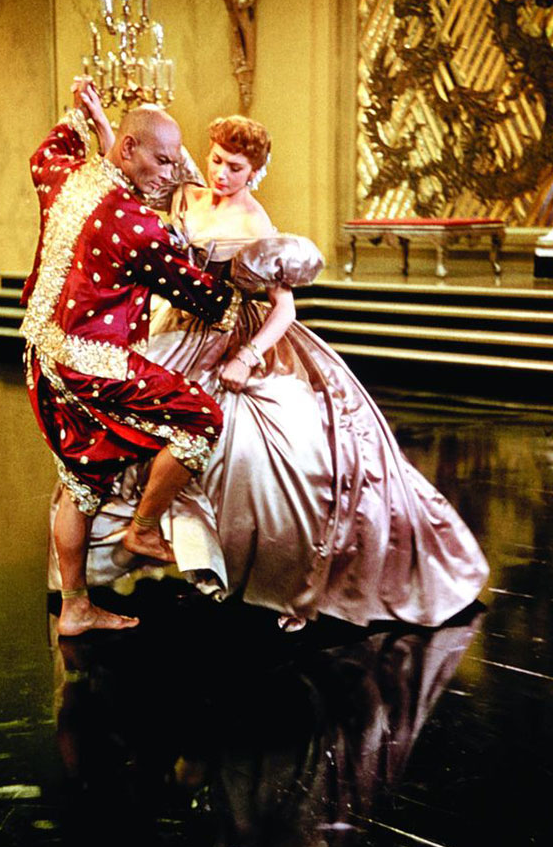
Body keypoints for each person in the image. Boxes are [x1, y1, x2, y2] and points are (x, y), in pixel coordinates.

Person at [52, 110, 489, 632]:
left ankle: (265, 575)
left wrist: (246, 356)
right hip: (174, 328)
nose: (221, 174)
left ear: (255, 172)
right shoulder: (186, 192)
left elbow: (285, 309)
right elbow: (130, 170)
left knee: (270, 453)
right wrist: (104, 123)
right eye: (217, 160)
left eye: (235, 167)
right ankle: (131, 548)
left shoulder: (255, 224)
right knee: (122, 432)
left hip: (230, 337)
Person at [22, 80, 241, 636]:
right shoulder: (136, 227)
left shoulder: (65, 177)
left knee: (81, 483)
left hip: (43, 359)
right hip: (93, 364)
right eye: (163, 160)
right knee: (201, 421)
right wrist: (247, 293)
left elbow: (45, 151)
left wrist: (83, 115)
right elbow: (202, 296)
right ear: (127, 149)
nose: (171, 172)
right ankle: (143, 527)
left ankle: (75, 608)